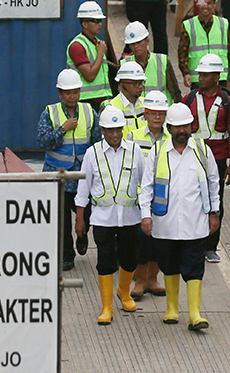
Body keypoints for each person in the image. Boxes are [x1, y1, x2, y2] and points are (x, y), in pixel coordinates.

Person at [139, 103, 221, 331]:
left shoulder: (202, 150)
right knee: (169, 264)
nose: (181, 130)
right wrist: (146, 216)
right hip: (166, 223)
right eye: (176, 126)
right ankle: (172, 309)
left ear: (191, 126)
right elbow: (146, 187)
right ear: (169, 128)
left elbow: (214, 183)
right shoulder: (158, 151)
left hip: (196, 221)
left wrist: (215, 213)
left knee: (195, 266)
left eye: (185, 125)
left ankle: (194, 314)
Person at [75, 105, 145, 325]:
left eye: (118, 129)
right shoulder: (92, 154)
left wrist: (147, 214)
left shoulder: (135, 152)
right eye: (110, 130)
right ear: (102, 131)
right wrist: (80, 219)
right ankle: (106, 307)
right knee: (105, 262)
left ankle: (123, 292)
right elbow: (83, 188)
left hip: (130, 216)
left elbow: (146, 184)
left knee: (130, 257)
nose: (115, 134)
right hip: (102, 218)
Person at [37, 68, 101, 272]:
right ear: (60, 94)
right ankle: (67, 255)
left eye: (75, 92)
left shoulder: (90, 112)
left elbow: (98, 142)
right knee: (62, 220)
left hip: (84, 176)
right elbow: (42, 141)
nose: (72, 96)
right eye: (67, 92)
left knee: (87, 213)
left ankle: (82, 236)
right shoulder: (50, 113)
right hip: (60, 176)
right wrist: (63, 128)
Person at [184, 54, 230, 263]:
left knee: (216, 201)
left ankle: (211, 246)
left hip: (217, 160)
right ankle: (193, 242)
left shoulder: (228, 102)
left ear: (217, 77)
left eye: (206, 75)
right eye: (201, 74)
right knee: (191, 199)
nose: (202, 78)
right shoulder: (188, 99)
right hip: (192, 157)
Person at [127, 91, 169, 300]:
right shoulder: (133, 137)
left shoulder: (171, 139)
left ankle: (153, 278)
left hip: (163, 201)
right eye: (153, 113)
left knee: (160, 243)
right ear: (145, 114)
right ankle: (140, 281)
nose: (157, 118)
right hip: (139, 201)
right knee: (142, 242)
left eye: (161, 113)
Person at [179, 0, 230, 89]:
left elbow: (229, 51)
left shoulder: (223, 24)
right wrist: (185, 73)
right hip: (198, 79)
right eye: (203, 3)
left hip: (220, 78)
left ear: (214, 4)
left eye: (209, 3)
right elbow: (182, 53)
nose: (205, 6)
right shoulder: (189, 25)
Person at [66, 1, 111, 109]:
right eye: (95, 21)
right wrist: (100, 54)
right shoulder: (77, 46)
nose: (100, 24)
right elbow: (90, 76)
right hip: (87, 102)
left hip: (103, 100)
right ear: (85, 24)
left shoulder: (97, 43)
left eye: (100, 20)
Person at [121, 21, 180, 102]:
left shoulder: (162, 62)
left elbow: (175, 93)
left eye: (139, 42)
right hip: (137, 113)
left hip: (161, 112)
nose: (136, 46)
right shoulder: (124, 65)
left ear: (147, 41)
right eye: (132, 43)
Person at [106, 62, 147, 136]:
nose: (140, 86)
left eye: (141, 82)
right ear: (121, 86)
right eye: (135, 83)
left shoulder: (146, 104)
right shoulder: (112, 108)